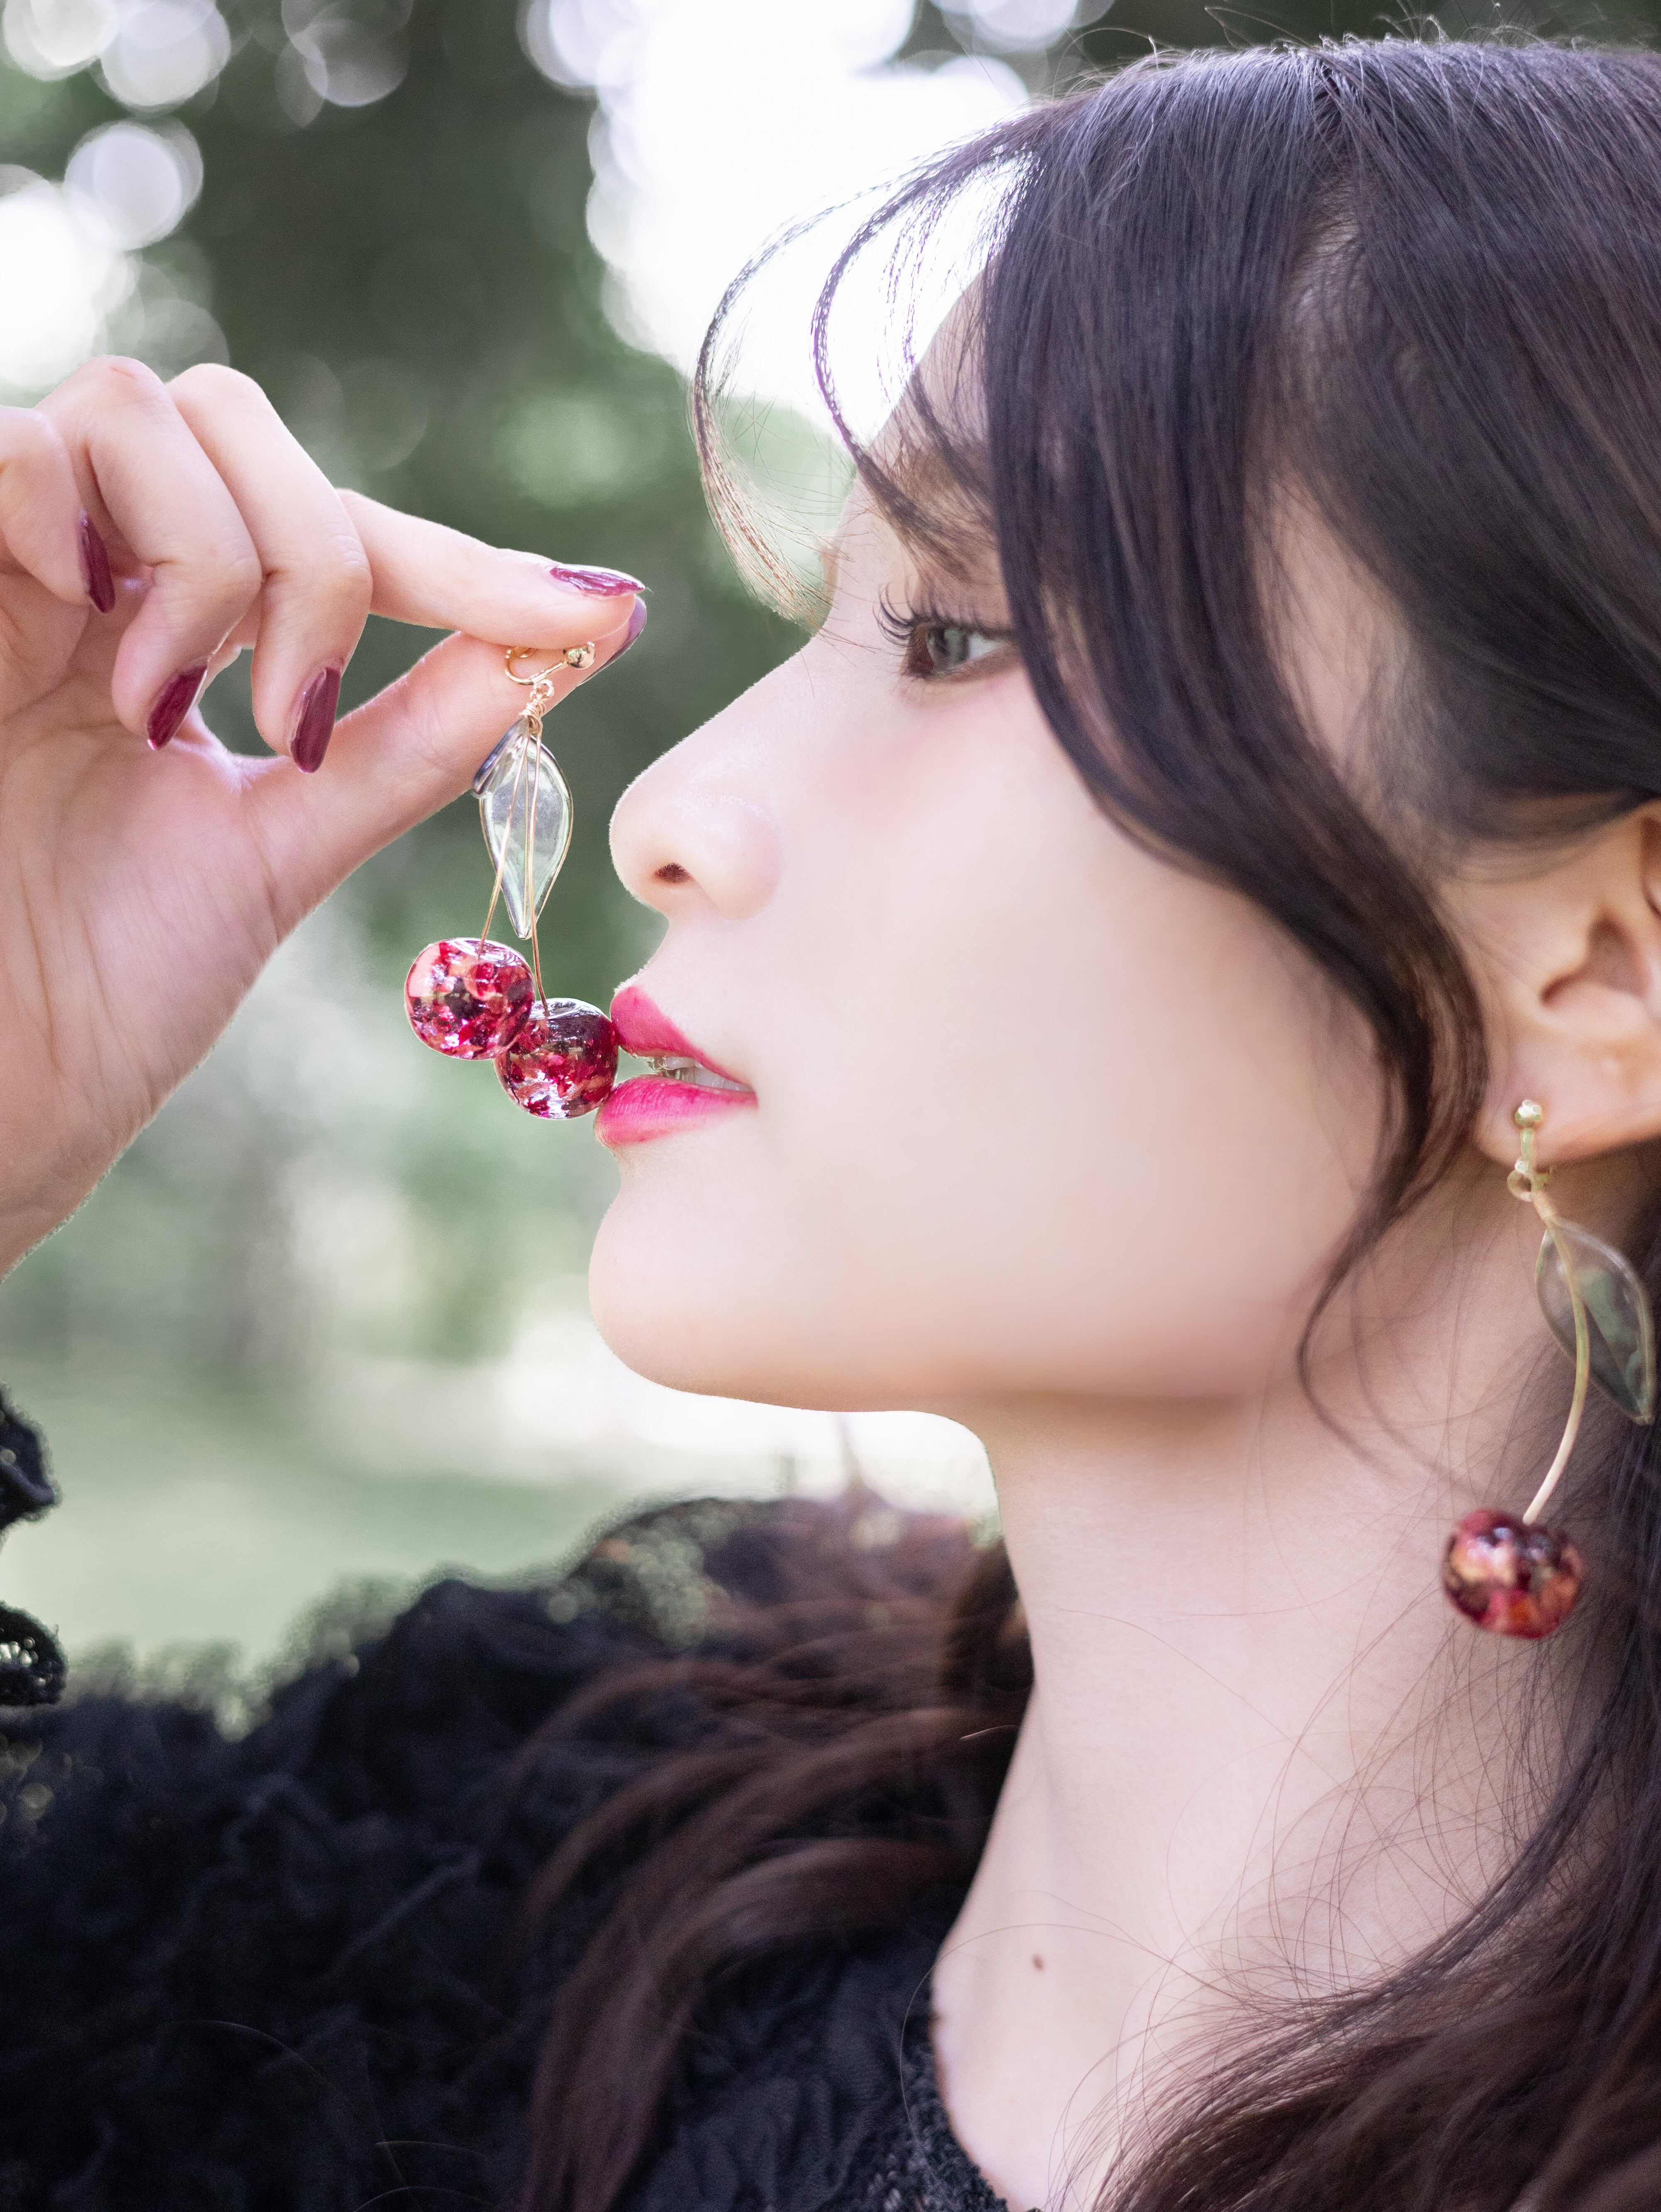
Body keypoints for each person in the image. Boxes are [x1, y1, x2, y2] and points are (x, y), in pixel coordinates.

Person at [6, 29, 1661, 2212]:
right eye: (831, 623)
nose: (675, 809)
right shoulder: (423, 1935)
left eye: (957, 635)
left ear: (1598, 976)